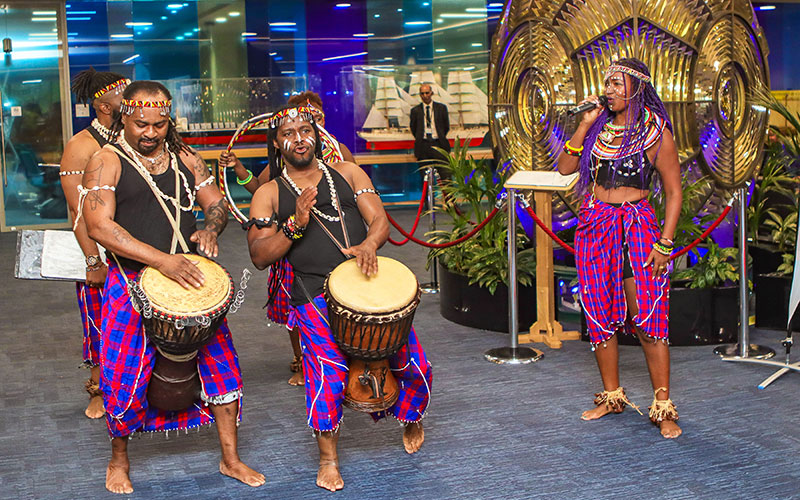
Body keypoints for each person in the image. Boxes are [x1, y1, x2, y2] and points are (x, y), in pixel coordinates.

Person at [80, 80, 265, 494]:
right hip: (130, 281)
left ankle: (231, 458)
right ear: (124, 117)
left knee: (222, 368)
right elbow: (99, 226)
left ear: (169, 121)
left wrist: (210, 229)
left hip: (187, 280)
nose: (150, 133)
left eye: (159, 125)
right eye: (141, 124)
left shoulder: (185, 157)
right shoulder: (105, 161)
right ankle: (118, 461)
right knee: (123, 376)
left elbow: (216, 203)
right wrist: (162, 261)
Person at [247, 104, 432, 491]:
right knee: (328, 377)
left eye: (305, 130)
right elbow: (260, 256)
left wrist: (370, 243)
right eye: (288, 133)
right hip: (312, 293)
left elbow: (379, 220)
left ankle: (412, 415)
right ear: (276, 143)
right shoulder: (268, 193)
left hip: (366, 281)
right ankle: (328, 459)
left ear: (317, 135)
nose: (299, 139)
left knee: (412, 362)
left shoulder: (348, 173)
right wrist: (295, 224)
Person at [557, 58, 682, 439]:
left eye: (616, 84)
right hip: (596, 228)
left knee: (648, 318)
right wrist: (583, 125)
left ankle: (663, 407)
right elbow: (565, 168)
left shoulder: (655, 132)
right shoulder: (598, 128)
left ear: (637, 88)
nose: (608, 90)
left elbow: (674, 192)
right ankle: (612, 397)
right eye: (607, 83)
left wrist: (664, 243)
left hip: (638, 230)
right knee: (598, 314)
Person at [219, 91, 355, 387]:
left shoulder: (340, 153)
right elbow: (259, 187)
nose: (303, 132)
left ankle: (348, 356)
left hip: (339, 247)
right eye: (292, 129)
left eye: (313, 119)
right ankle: (301, 358)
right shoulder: (287, 158)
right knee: (297, 305)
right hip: (294, 243)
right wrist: (239, 169)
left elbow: (355, 195)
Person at [59, 68, 129, 419]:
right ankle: (98, 390)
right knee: (100, 321)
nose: (130, 101)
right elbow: (77, 209)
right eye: (123, 96)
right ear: (103, 106)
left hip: (134, 245)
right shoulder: (81, 146)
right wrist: (93, 260)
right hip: (99, 251)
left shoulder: (133, 138)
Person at [410, 83, 450, 180]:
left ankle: (447, 191)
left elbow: (446, 127)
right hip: (423, 146)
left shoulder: (441, 108)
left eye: (427, 93)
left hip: (439, 144)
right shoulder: (415, 110)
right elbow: (413, 128)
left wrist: (439, 136)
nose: (425, 96)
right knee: (425, 178)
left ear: (431, 93)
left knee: (445, 176)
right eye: (422, 93)